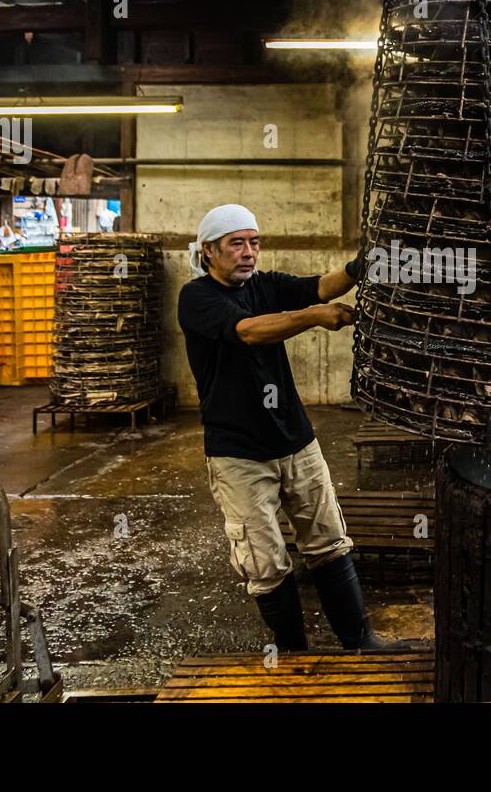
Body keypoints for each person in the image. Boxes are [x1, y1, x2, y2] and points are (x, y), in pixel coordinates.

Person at [178, 203, 389, 651]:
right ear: (208, 251)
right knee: (265, 561)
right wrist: (315, 316)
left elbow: (318, 287)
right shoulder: (196, 298)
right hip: (238, 453)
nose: (249, 252)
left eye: (254, 242)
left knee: (328, 541)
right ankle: (294, 652)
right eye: (237, 243)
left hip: (296, 441)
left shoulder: (267, 285)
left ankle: (361, 642)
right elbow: (250, 331)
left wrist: (359, 266)